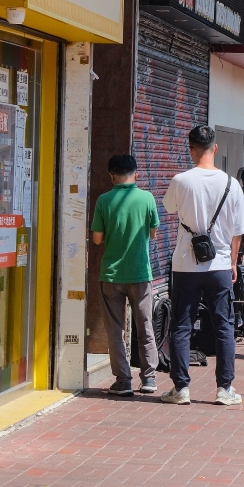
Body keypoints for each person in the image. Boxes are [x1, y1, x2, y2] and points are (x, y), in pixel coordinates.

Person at [161, 126, 244, 406]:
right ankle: (225, 389)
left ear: (190, 148)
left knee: (181, 326)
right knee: (224, 326)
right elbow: (238, 231)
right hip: (220, 265)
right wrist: (233, 263)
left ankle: (181, 389)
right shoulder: (231, 184)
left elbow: (169, 208)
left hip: (185, 266)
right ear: (216, 148)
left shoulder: (180, 180)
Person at [92, 154, 160, 397]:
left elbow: (97, 239)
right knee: (145, 326)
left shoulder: (103, 200)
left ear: (111, 176)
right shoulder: (147, 198)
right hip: (140, 273)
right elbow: (153, 233)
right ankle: (149, 378)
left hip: (111, 275)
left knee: (115, 330)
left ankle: (123, 381)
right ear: (136, 174)